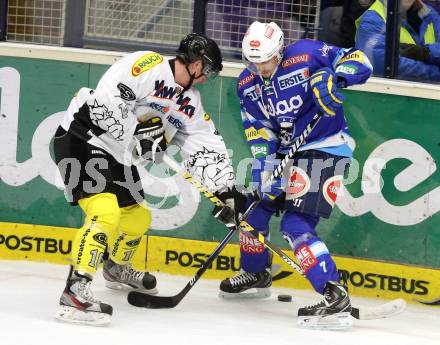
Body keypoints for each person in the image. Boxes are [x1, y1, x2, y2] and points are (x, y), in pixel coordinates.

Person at [53, 33, 246, 325]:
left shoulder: (190, 102)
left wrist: (225, 190)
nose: (207, 77)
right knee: (105, 211)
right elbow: (108, 99)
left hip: (117, 154)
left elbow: (205, 143)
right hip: (83, 136)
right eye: (207, 70)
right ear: (195, 64)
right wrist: (135, 133)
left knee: (137, 218)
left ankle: (115, 267)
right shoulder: (148, 65)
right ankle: (75, 290)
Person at [219, 21, 372, 329]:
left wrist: (338, 76)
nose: (261, 68)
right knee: (251, 212)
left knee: (295, 224)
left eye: (266, 60)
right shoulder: (247, 83)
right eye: (254, 62)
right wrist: (266, 166)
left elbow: (360, 59)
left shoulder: (308, 54)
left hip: (326, 147)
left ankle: (333, 295)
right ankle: (257, 273)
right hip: (285, 155)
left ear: (280, 50)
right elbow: (257, 129)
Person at [355, 0, 440, 81]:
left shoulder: (430, 14)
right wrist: (434, 72)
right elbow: (378, 62)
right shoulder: (373, 18)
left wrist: (425, 53)